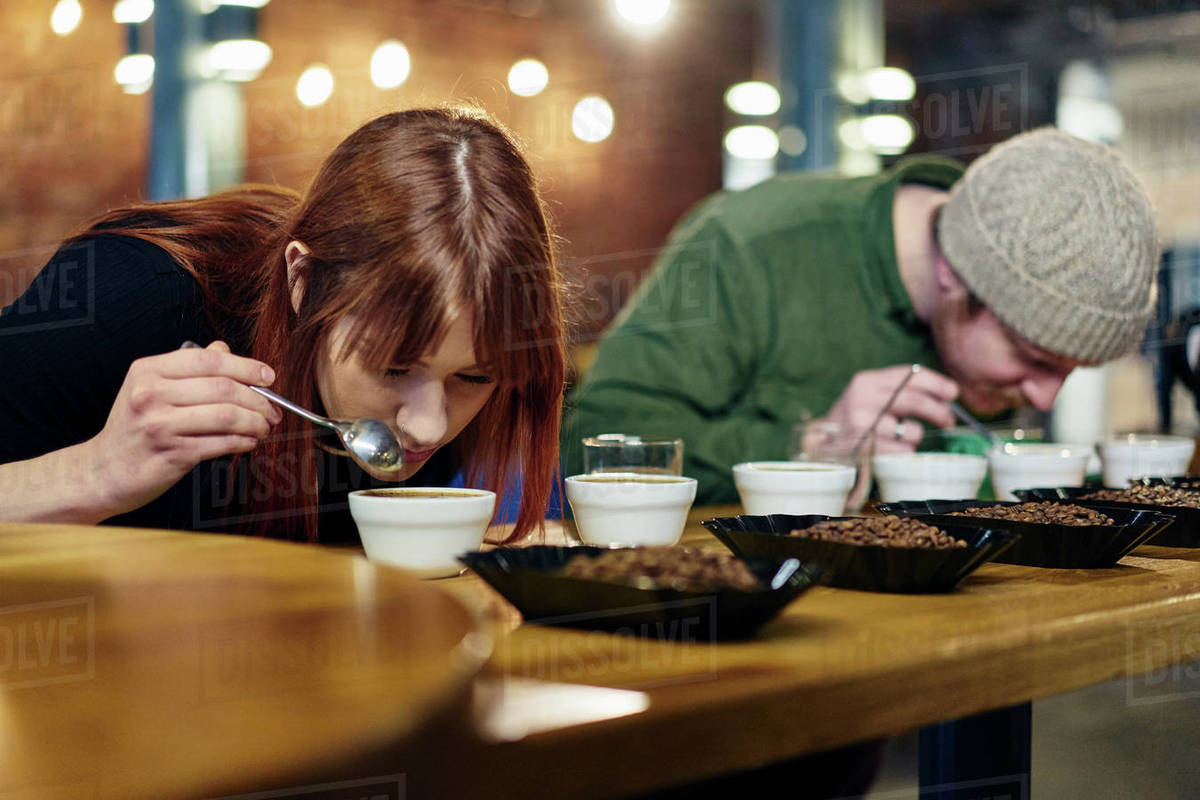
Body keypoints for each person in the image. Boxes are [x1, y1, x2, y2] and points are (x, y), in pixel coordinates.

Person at [0, 107, 566, 543]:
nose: (427, 428)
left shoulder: (443, 403)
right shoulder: (126, 293)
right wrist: (96, 473)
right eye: (394, 367)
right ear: (302, 279)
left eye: (474, 378)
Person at [562, 127, 1159, 503]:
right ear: (955, 273)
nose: (1047, 400)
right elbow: (591, 442)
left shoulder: (1002, 270)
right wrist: (807, 450)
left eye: (1073, 370)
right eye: (1033, 359)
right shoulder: (747, 245)